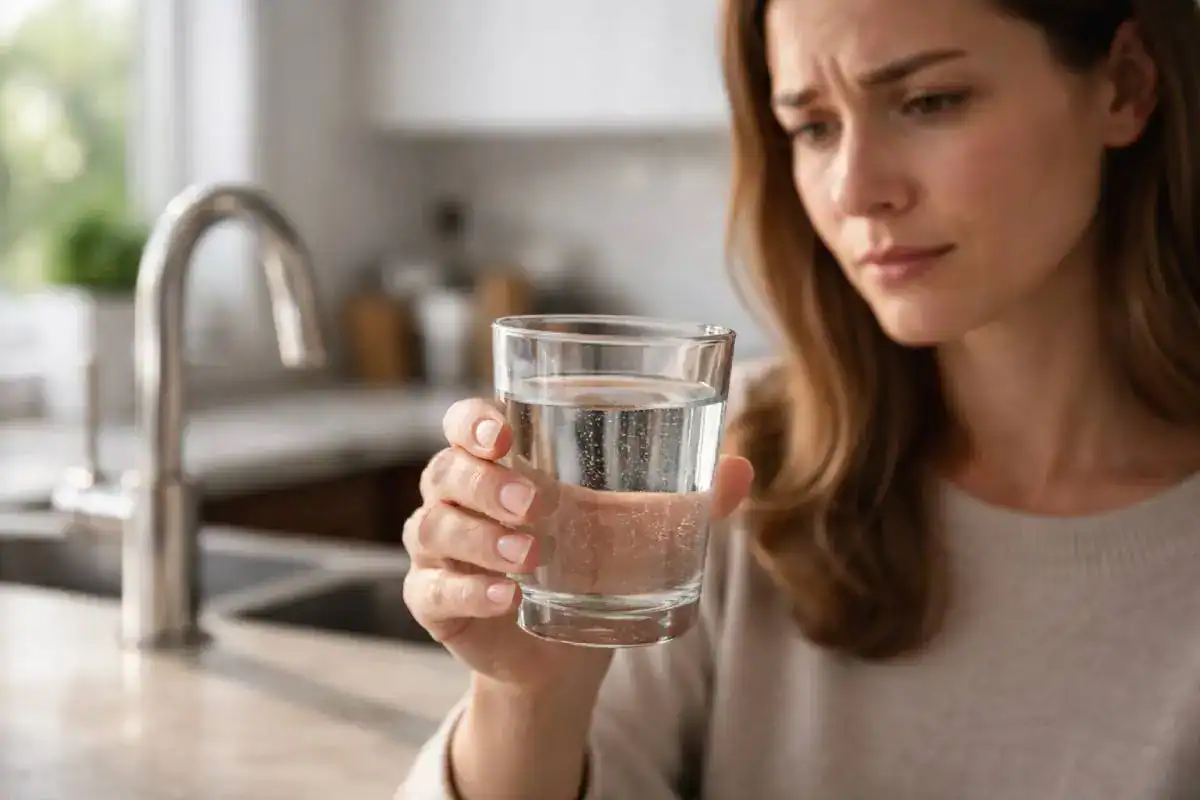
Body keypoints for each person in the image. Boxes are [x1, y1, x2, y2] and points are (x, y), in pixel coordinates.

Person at [398, 0, 1200, 796]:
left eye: (929, 102)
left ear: (1124, 87)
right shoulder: (729, 464)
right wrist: (529, 695)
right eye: (813, 127)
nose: (855, 190)